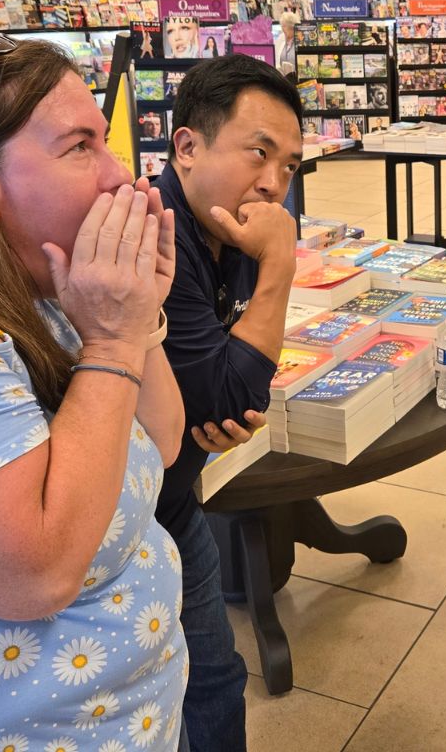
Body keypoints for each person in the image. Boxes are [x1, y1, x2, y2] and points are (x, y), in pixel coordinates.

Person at [0, 35, 191, 748]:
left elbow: (165, 439)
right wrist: (113, 343)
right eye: (80, 146)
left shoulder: (41, 286)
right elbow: (35, 573)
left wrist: (137, 318)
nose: (121, 178)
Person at [154, 54, 303, 751]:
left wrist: (223, 386)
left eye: (290, 166)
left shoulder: (232, 226)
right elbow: (230, 391)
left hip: (175, 497)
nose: (273, 183)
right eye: (258, 153)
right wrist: (279, 261)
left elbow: (228, 400)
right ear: (187, 146)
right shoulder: (159, 239)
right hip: (122, 512)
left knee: (215, 675)